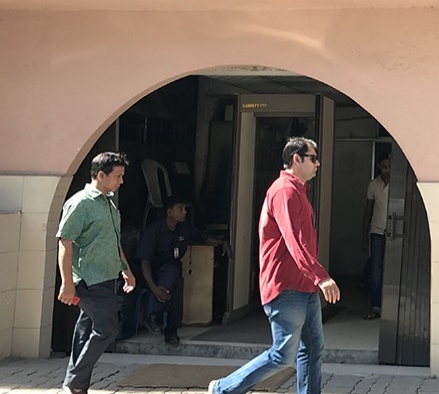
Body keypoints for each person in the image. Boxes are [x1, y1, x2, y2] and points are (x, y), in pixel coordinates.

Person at [210, 137, 340, 394]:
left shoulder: (297, 190)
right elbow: (293, 241)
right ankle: (224, 388)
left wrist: (315, 279)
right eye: (313, 158)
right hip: (286, 286)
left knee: (312, 349)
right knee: (283, 354)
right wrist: (321, 276)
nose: (318, 163)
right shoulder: (285, 191)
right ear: (296, 159)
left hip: (304, 286)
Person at [56, 152, 136, 394]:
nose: (121, 181)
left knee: (86, 329)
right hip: (89, 280)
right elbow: (65, 242)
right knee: (108, 328)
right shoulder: (81, 203)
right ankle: (74, 380)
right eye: (117, 176)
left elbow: (114, 240)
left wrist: (126, 270)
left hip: (108, 278)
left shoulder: (108, 203)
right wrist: (66, 283)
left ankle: (76, 386)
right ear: (100, 175)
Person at [135, 197, 232, 345]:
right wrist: (154, 288)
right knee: (173, 274)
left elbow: (203, 238)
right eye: (180, 209)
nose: (185, 212)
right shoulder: (154, 230)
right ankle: (158, 316)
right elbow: (145, 263)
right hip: (152, 276)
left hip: (171, 275)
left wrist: (222, 242)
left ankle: (163, 321)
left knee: (176, 278)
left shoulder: (184, 228)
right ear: (169, 212)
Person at [361, 156, 390, 320]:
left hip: (394, 232)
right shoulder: (373, 185)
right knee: (376, 270)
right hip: (377, 231)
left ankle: (390, 306)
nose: (387, 170)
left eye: (390, 167)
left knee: (391, 270)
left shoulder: (399, 185)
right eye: (384, 166)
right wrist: (364, 234)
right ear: (379, 166)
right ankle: (376, 306)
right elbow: (368, 210)